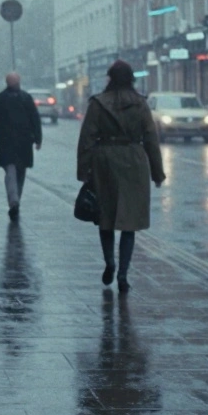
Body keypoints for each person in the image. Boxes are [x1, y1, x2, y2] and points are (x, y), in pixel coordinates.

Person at [76, 60, 165, 292]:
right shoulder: (141, 104)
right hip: (134, 161)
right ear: (131, 79)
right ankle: (123, 274)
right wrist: (157, 173)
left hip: (104, 161)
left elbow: (86, 138)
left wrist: (84, 170)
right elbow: (151, 139)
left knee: (105, 217)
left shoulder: (97, 103)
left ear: (110, 78)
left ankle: (110, 262)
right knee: (130, 223)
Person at [0, 72, 42, 220]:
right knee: (20, 173)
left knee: (10, 172)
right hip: (23, 142)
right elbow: (35, 119)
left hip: (6, 142)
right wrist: (37, 139)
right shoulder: (26, 98)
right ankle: (16, 200)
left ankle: (14, 201)